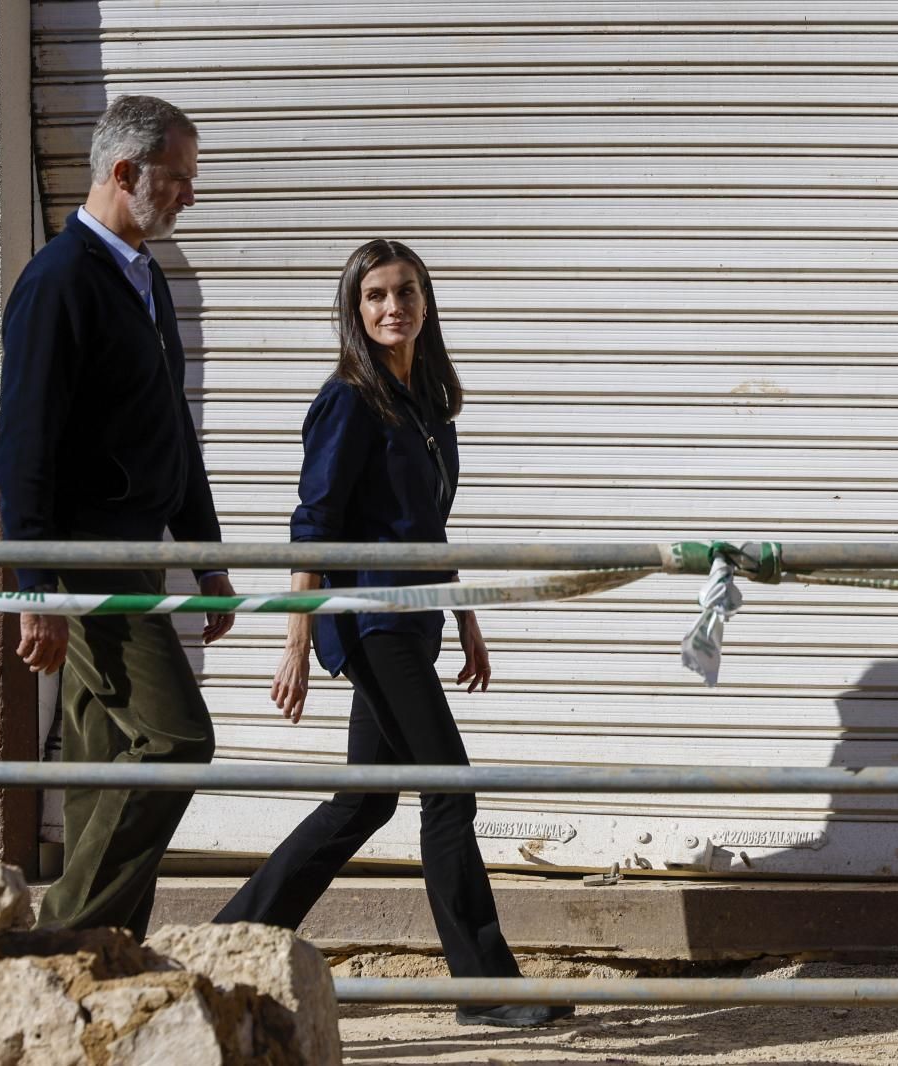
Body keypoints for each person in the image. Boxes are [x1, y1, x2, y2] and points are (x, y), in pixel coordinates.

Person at [213, 240, 571, 1029]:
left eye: (405, 291)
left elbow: (428, 528)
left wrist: (468, 613)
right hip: (370, 621)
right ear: (355, 309)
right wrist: (298, 640)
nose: (392, 307)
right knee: (450, 788)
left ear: (426, 302)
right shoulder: (348, 398)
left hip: (416, 618)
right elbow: (315, 526)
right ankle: (485, 991)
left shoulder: (426, 402)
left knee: (363, 802)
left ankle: (230, 938)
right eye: (375, 295)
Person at [0, 95, 236, 941]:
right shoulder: (59, 282)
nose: (190, 199)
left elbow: (173, 428)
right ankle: (53, 940)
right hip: (87, 560)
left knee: (102, 772)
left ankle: (109, 957)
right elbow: (24, 443)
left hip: (137, 555)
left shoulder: (145, 280)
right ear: (124, 173)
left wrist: (206, 558)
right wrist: (37, 585)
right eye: (179, 180)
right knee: (174, 743)